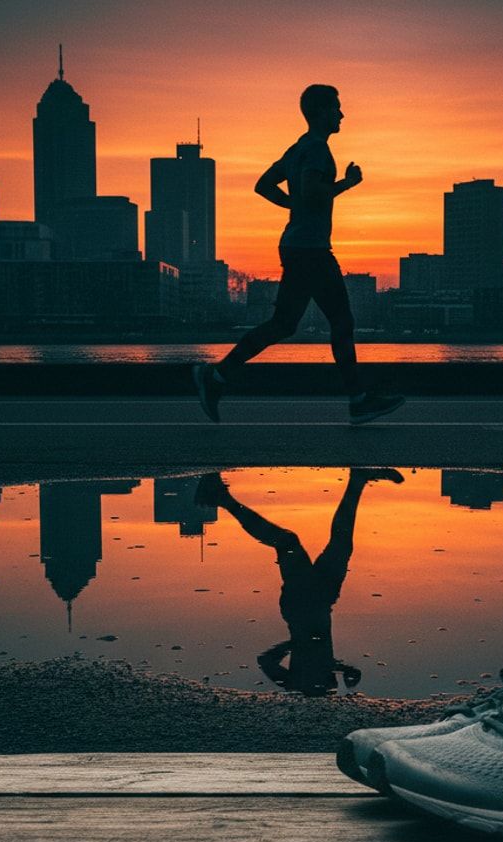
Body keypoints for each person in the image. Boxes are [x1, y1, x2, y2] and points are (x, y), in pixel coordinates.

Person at [193, 84, 405, 425]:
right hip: (310, 249)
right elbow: (312, 192)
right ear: (321, 112)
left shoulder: (297, 149)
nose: (341, 114)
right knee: (341, 321)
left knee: (283, 324)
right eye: (336, 107)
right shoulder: (318, 151)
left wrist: (294, 206)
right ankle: (358, 400)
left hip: (297, 245)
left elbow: (263, 185)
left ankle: (216, 377)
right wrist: (346, 185)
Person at [194, 468, 404, 696]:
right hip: (322, 600)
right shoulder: (326, 681)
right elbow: (355, 675)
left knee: (289, 542)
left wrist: (294, 645)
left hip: (302, 604)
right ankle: (357, 480)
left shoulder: (294, 684)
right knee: (339, 544)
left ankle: (222, 499)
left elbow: (265, 660)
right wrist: (336, 667)